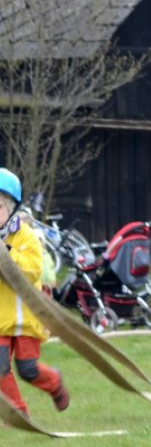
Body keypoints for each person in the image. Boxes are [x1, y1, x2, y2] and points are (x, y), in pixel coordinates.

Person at [0, 168, 70, 417]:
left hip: (26, 317)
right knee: (0, 367)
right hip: (0, 320)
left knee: (27, 369)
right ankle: (18, 414)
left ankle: (55, 383)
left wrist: (6, 257)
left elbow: (31, 270)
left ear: (11, 208)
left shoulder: (26, 236)